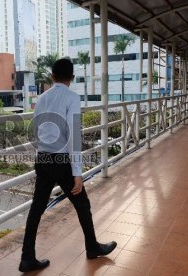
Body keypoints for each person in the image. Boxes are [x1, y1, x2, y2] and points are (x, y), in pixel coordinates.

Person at [19, 58, 117, 273]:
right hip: (62, 161)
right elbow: (73, 138)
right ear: (72, 78)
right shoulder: (72, 97)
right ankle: (92, 247)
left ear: (52, 76)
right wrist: (77, 174)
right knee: (82, 204)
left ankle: (27, 258)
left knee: (36, 209)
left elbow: (35, 132)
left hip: (43, 158)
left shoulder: (42, 98)